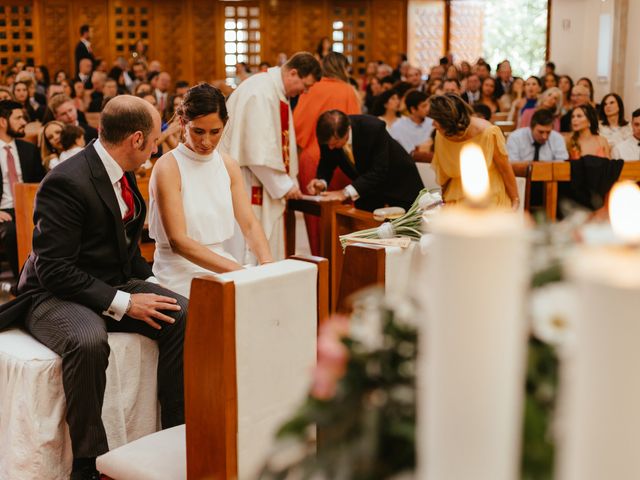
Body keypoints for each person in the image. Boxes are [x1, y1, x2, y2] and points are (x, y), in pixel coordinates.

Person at [1, 96, 187, 480]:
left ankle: (175, 431)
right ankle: (88, 463)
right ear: (136, 139)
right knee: (88, 340)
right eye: (154, 141)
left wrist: (152, 284)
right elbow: (53, 269)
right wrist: (124, 303)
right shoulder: (67, 181)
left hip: (107, 280)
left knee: (181, 312)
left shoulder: (123, 170)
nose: (155, 149)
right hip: (53, 293)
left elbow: (126, 250)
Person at [149, 83, 272, 297]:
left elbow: (250, 225)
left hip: (221, 263)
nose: (206, 141)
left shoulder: (228, 165)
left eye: (215, 132)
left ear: (225, 125)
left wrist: (267, 265)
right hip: (177, 270)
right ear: (182, 123)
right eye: (198, 131)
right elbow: (179, 241)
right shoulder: (168, 167)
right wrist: (241, 272)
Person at [220, 52, 321, 262]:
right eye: (306, 85)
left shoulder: (275, 91)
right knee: (247, 250)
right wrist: (285, 185)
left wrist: (289, 181)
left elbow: (279, 146)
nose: (305, 91)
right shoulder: (261, 93)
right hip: (247, 180)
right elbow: (258, 152)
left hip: (261, 180)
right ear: (293, 73)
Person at [293, 52, 361, 255]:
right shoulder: (348, 90)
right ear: (343, 68)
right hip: (339, 158)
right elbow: (354, 129)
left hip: (310, 157)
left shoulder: (311, 88)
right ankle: (341, 264)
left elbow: (296, 125)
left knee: (315, 218)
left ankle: (318, 262)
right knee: (343, 217)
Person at [307, 110, 424, 212]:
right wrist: (321, 181)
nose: (330, 148)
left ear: (348, 130)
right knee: (364, 228)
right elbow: (327, 162)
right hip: (367, 188)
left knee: (407, 231)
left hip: (399, 183)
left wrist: (344, 193)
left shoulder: (373, 128)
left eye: (335, 143)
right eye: (328, 144)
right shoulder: (327, 135)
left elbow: (379, 170)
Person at [428, 94, 519, 209]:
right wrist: (443, 200)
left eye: (435, 120)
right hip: (455, 194)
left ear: (447, 121)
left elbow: (505, 169)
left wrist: (515, 199)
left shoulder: (488, 133)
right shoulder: (440, 134)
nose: (432, 124)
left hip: (490, 193)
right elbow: (444, 175)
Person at [0, 100, 46, 281]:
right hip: (4, 211)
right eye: (18, 118)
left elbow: (41, 182)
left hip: (30, 207)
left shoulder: (29, 149)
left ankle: (46, 277)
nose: (23, 122)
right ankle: (22, 282)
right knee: (11, 231)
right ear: (3, 121)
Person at [389, 90, 433, 159]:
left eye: (428, 105)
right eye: (424, 106)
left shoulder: (433, 124)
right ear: (413, 109)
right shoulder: (398, 126)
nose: (428, 109)